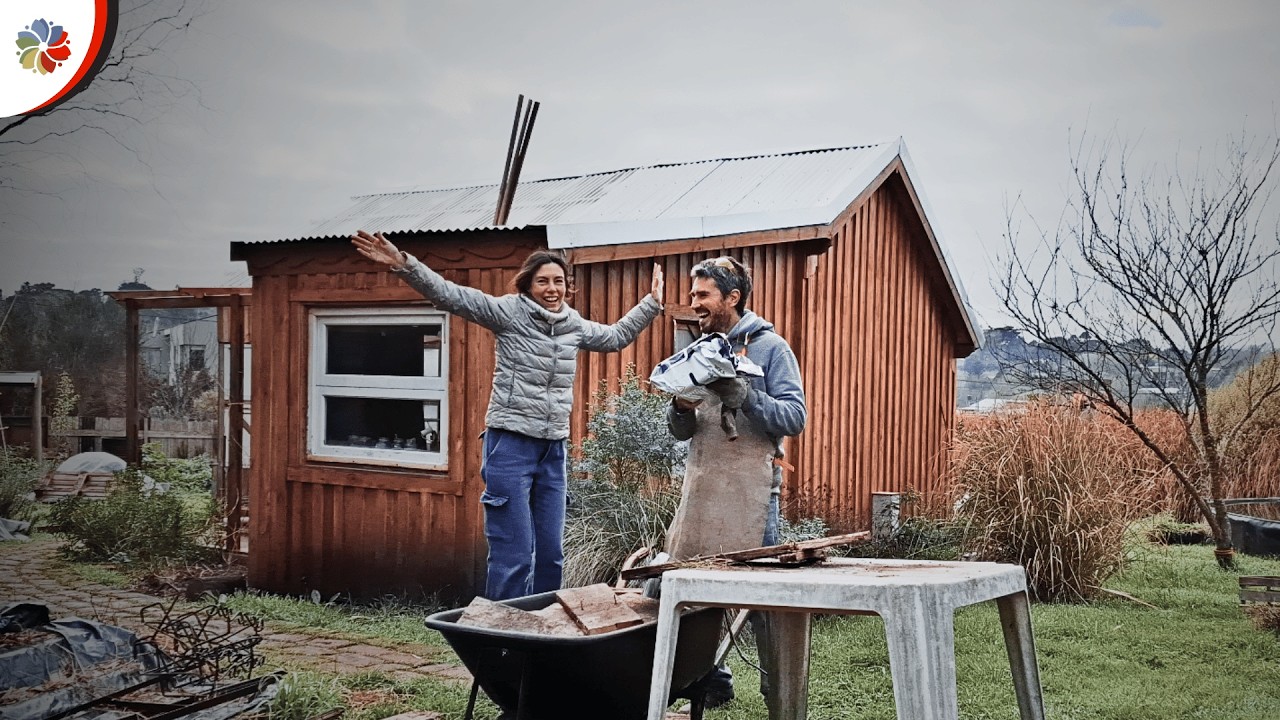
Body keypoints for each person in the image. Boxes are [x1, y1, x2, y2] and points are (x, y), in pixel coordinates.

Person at [351, 230, 665, 600]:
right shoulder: (508, 313)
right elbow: (451, 296)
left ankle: (544, 632)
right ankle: (501, 637)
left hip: (553, 450)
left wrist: (651, 303)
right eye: (543, 281)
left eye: (558, 281)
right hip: (510, 444)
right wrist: (405, 265)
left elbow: (614, 337)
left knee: (551, 555)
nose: (552, 289)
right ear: (528, 285)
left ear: (568, 286)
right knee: (514, 554)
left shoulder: (573, 325)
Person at [663, 255, 806, 709]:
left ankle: (777, 694)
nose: (693, 303)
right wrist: (679, 411)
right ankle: (711, 679)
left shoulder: (770, 348)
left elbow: (795, 417)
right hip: (703, 488)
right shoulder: (698, 348)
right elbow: (683, 434)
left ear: (732, 297)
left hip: (753, 495)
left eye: (702, 295)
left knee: (761, 602)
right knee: (697, 593)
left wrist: (746, 395)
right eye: (692, 294)